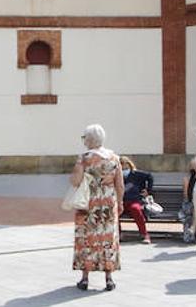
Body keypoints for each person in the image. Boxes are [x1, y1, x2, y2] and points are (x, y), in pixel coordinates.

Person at [70, 124, 121, 292]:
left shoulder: (84, 158)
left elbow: (75, 182)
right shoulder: (114, 157)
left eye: (85, 138)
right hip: (107, 204)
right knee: (107, 240)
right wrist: (120, 202)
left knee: (86, 239)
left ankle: (85, 278)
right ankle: (109, 279)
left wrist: (78, 169)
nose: (84, 141)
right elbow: (119, 184)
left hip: (88, 205)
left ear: (90, 139)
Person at [121, 156, 155, 245]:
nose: (122, 166)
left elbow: (150, 176)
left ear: (128, 164)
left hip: (134, 201)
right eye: (120, 164)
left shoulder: (136, 174)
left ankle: (144, 234)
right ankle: (119, 234)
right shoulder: (117, 174)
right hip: (121, 202)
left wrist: (148, 190)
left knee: (136, 209)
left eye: (124, 164)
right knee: (114, 212)